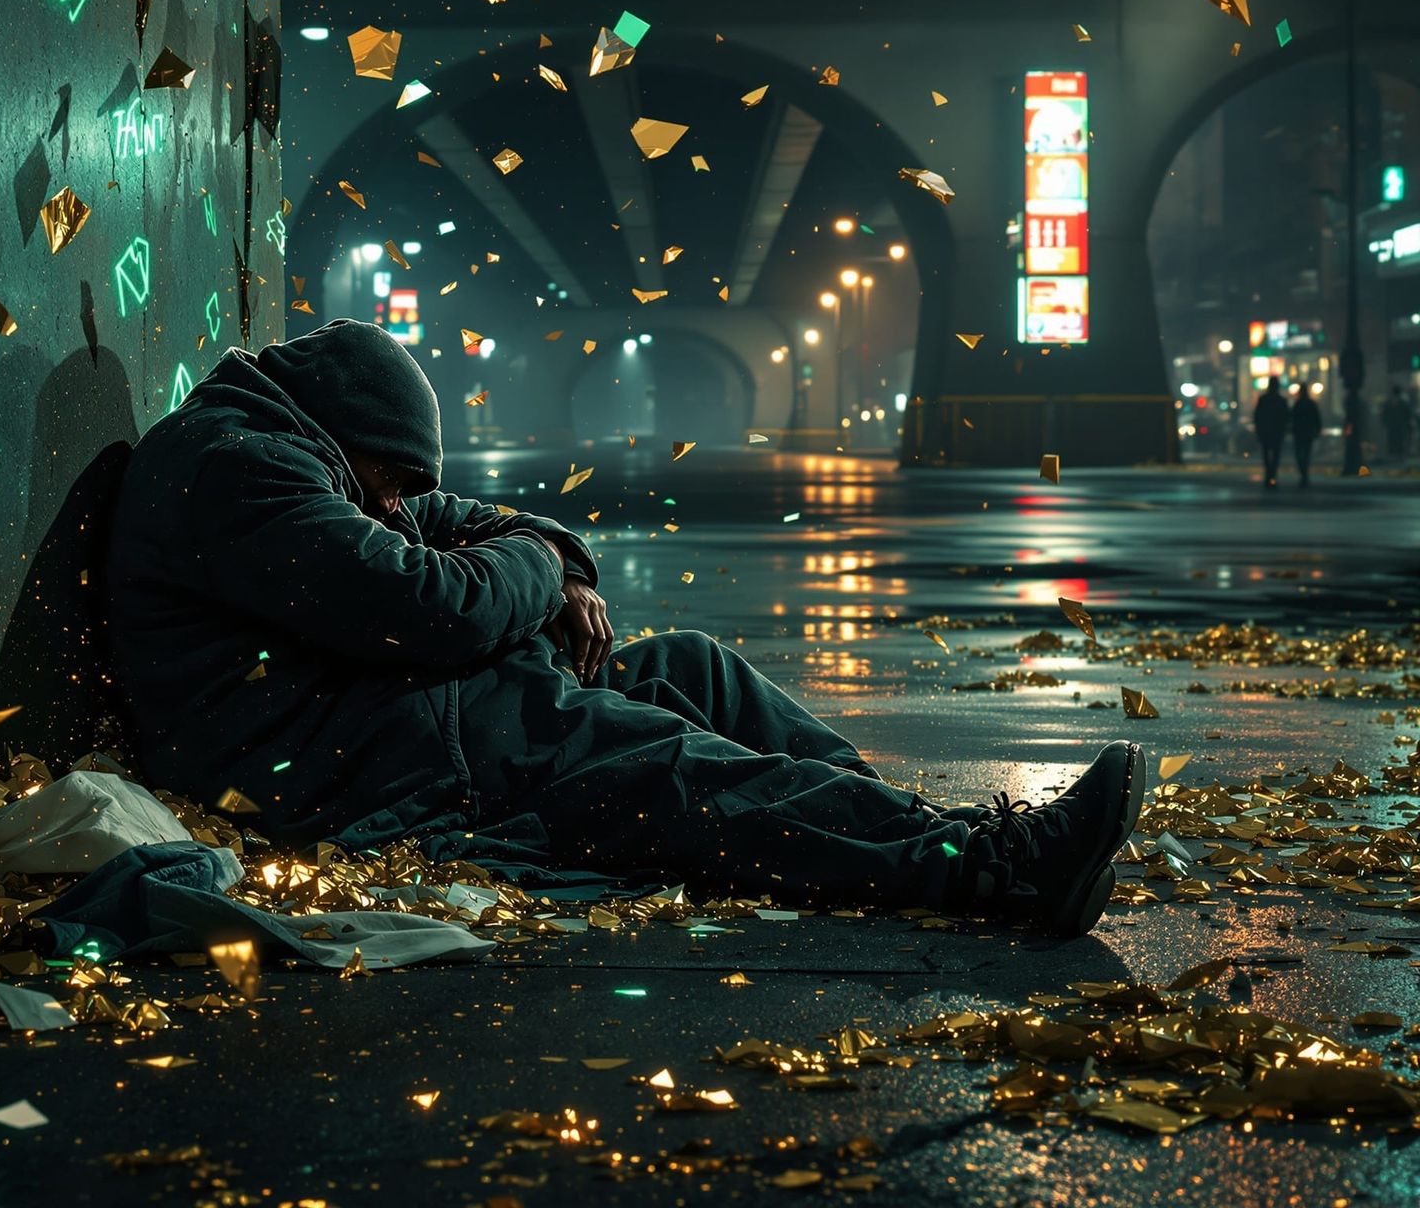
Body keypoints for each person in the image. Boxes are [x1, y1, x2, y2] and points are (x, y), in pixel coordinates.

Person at [105, 320, 1145, 938]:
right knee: (658, 760)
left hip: (395, 717)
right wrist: (545, 564)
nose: (393, 508)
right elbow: (432, 603)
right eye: (389, 482)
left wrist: (531, 548)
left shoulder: (311, 460)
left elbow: (458, 527)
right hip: (340, 762)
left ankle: (909, 828)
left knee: (696, 670)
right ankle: (986, 871)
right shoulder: (241, 470)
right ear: (354, 434)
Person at [1253, 376, 1287, 487]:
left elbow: (1258, 416)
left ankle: (1269, 475)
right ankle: (1273, 475)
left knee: (1266, 455)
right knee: (1276, 455)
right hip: (1277, 432)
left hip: (1266, 432)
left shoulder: (1263, 399)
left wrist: (1259, 430)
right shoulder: (1281, 400)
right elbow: (1285, 417)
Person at [1291, 382, 1322, 487]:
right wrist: (1317, 430)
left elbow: (1292, 419)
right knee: (1306, 454)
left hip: (1299, 433)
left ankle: (1303, 473)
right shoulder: (1311, 404)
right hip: (1307, 433)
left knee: (1299, 454)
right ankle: (1305, 474)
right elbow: (1317, 419)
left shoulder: (1297, 404)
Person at [1382, 383, 1413, 460]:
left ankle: (1394, 456)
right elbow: (1408, 415)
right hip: (1399, 426)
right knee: (1398, 441)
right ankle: (1397, 456)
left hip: (1394, 425)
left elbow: (1384, 414)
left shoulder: (1388, 403)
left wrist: (1385, 423)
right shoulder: (1403, 403)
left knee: (1393, 441)